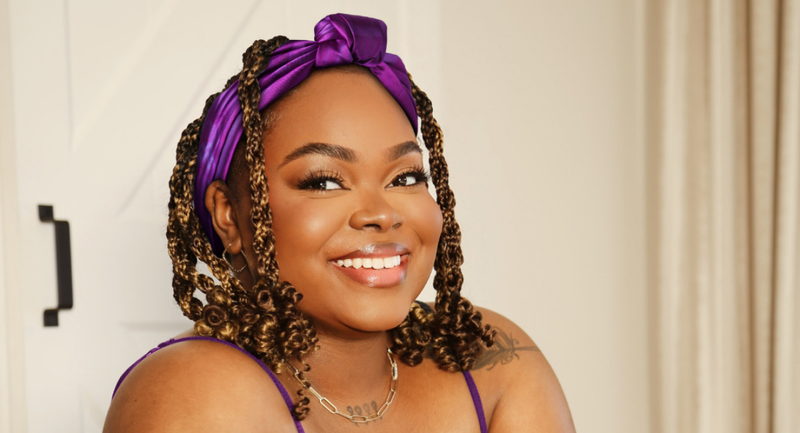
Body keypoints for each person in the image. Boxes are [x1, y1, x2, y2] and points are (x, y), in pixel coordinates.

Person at [103, 13, 575, 433]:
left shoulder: (489, 359)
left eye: (405, 176)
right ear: (229, 215)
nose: (382, 213)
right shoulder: (193, 392)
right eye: (324, 182)